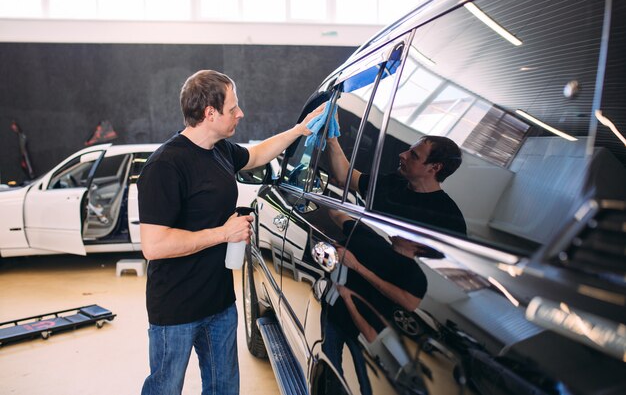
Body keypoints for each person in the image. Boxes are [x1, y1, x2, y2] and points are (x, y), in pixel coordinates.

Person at [138, 69, 325, 395]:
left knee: (223, 388)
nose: (241, 113)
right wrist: (223, 234)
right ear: (209, 113)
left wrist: (299, 130)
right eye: (233, 108)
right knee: (164, 388)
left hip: (220, 303)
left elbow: (255, 155)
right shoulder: (165, 165)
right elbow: (154, 245)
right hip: (176, 310)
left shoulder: (221, 150)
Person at [326, 134, 467, 235]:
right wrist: (332, 139)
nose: (402, 154)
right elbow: (345, 176)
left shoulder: (449, 217)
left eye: (414, 155)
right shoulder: (393, 183)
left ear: (434, 168)